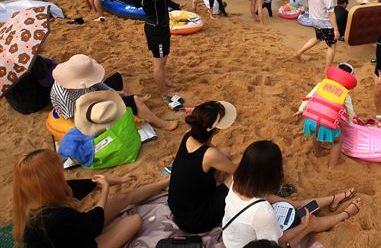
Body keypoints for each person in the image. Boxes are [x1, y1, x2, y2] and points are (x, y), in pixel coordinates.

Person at [13, 149, 170, 248]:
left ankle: (167, 181)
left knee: (122, 198)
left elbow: (91, 184)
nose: (63, 174)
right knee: (134, 220)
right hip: (82, 239)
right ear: (51, 180)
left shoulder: (37, 193)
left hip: (74, 235)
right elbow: (94, 224)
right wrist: (106, 191)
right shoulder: (53, 217)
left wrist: (120, 180)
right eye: (59, 173)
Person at [221, 140, 361, 248]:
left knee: (296, 205)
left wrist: (289, 202)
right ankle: (346, 214)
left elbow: (266, 198)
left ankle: (335, 198)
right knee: (310, 221)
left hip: (233, 239)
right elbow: (278, 241)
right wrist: (303, 226)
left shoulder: (238, 180)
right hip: (255, 244)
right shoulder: (263, 211)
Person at [50, 54, 177, 130]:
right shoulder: (63, 93)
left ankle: (132, 107)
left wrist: (116, 93)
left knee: (117, 78)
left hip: (93, 96)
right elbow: (75, 119)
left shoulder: (79, 72)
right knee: (135, 101)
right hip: (86, 111)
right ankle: (161, 124)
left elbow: (97, 84)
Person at [169, 101, 237, 233]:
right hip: (196, 220)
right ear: (216, 130)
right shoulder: (210, 155)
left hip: (179, 209)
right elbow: (238, 170)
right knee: (237, 177)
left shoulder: (188, 135)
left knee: (226, 152)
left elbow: (211, 151)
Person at [132, 0, 185, 108]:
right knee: (158, 63)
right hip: (158, 29)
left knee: (163, 58)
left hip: (151, 25)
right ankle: (164, 93)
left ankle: (165, 80)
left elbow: (136, 3)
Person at [296, 63, 357, 168]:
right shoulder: (345, 94)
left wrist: (300, 110)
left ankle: (318, 152)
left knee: (316, 133)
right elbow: (350, 112)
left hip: (311, 120)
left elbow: (308, 97)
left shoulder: (322, 84)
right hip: (327, 124)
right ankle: (331, 167)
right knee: (338, 141)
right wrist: (350, 121)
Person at [294, 0, 339, 69]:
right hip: (324, 22)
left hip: (313, 19)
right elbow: (331, 14)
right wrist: (336, 30)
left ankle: (298, 53)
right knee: (332, 46)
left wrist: (315, 5)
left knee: (318, 38)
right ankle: (327, 71)